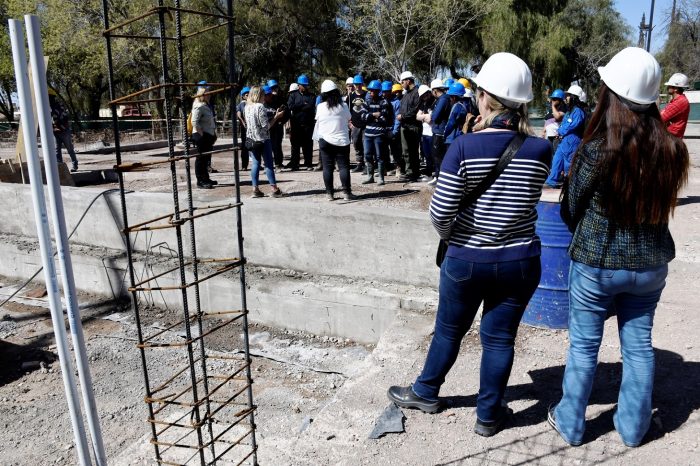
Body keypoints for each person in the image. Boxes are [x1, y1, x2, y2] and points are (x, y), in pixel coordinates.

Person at [387, 52, 551, 438]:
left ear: (483, 97)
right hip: (520, 261)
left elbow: (440, 213)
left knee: (449, 330)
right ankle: (489, 415)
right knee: (499, 339)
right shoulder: (542, 150)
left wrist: (456, 240)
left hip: (466, 261)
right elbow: (525, 202)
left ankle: (426, 392)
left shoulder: (462, 147)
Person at [548, 47, 689, 449]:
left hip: (598, 262)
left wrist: (587, 232)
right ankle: (633, 428)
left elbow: (570, 207)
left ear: (610, 93)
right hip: (651, 265)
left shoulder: (597, 148)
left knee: (584, 346)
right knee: (639, 345)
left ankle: (572, 423)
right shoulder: (673, 150)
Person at [313, 80, 357, 201]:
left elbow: (317, 120)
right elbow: (349, 118)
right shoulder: (344, 106)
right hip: (341, 141)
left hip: (325, 141)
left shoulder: (320, 107)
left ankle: (329, 194)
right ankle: (347, 193)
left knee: (327, 168)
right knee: (343, 167)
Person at [244, 86, 285, 198]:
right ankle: (274, 189)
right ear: (259, 95)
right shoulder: (260, 107)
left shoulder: (247, 107)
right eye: (263, 94)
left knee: (255, 163)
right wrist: (276, 117)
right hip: (263, 139)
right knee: (268, 164)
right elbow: (266, 126)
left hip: (251, 139)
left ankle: (255, 188)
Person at [544, 85, 586, 188]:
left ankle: (569, 184)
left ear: (574, 97)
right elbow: (564, 124)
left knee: (569, 164)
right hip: (564, 141)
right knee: (557, 160)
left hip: (572, 141)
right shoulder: (569, 111)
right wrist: (560, 132)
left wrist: (561, 131)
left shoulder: (578, 111)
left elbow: (571, 125)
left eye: (568, 95)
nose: (566, 98)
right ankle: (552, 181)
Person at [359, 79, 393, 185]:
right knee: (368, 155)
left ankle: (381, 178)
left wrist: (371, 116)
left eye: (373, 90)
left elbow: (384, 119)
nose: (371, 92)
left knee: (380, 156)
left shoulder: (384, 102)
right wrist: (374, 115)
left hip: (379, 134)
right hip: (368, 134)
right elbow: (362, 117)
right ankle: (370, 176)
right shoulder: (366, 102)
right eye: (370, 90)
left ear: (379, 91)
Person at [397, 71, 428, 182]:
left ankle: (414, 173)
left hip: (414, 126)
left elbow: (416, 110)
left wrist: (403, 116)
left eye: (402, 81)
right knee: (406, 151)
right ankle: (409, 171)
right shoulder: (406, 94)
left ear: (408, 81)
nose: (401, 84)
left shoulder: (417, 93)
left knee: (413, 151)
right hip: (404, 126)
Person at [191, 82, 217, 189]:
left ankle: (206, 178)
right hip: (201, 136)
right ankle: (200, 181)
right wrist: (202, 134)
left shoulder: (206, 105)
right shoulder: (199, 105)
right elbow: (194, 121)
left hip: (207, 135)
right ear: (202, 94)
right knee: (201, 159)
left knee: (206, 158)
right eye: (207, 93)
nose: (209, 95)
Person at [287, 75, 315, 170]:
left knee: (308, 146)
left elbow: (311, 106)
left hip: (308, 125)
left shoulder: (311, 96)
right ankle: (295, 164)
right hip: (296, 125)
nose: (305, 87)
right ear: (299, 85)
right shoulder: (293, 95)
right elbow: (290, 106)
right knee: (295, 146)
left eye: (306, 85)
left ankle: (308, 164)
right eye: (303, 85)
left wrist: (298, 107)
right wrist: (303, 104)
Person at [48, 89, 78, 172]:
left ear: (51, 97)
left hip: (64, 131)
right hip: (55, 132)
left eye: (48, 97)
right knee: (57, 150)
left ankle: (74, 165)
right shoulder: (49, 107)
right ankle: (60, 166)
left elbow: (63, 118)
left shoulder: (58, 106)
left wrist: (59, 125)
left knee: (69, 149)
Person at [429, 78, 451, 185]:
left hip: (440, 131)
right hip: (438, 130)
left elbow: (435, 116)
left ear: (435, 90)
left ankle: (440, 178)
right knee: (436, 155)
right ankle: (438, 176)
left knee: (438, 156)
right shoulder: (443, 99)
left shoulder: (443, 100)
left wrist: (431, 115)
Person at [660, 72, 691, 138]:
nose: (667, 87)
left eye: (669, 86)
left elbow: (660, 118)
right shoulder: (677, 100)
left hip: (671, 139)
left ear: (676, 88)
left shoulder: (680, 102)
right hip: (670, 138)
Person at [348, 74, 367, 173]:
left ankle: (367, 165)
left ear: (362, 84)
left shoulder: (367, 94)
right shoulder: (351, 96)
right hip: (355, 125)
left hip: (365, 125)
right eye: (356, 84)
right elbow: (348, 109)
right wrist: (349, 122)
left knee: (365, 144)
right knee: (356, 144)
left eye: (359, 84)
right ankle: (359, 164)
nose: (357, 86)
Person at [443, 82, 469, 151]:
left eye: (450, 97)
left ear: (454, 97)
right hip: (461, 136)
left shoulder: (456, 107)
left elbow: (450, 123)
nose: (450, 99)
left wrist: (444, 135)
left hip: (452, 138)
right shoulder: (465, 105)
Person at [416, 84, 435, 180]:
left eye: (425, 94)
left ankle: (434, 173)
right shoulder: (423, 104)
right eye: (422, 96)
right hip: (425, 133)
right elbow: (417, 116)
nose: (424, 97)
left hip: (432, 133)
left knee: (433, 154)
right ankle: (429, 173)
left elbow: (431, 119)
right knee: (426, 154)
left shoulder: (435, 103)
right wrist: (424, 116)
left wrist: (423, 116)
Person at [266, 79, 286, 168]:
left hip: (277, 126)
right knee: (268, 146)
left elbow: (286, 112)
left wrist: (282, 120)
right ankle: (268, 163)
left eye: (276, 87)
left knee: (277, 145)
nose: (275, 89)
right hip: (267, 127)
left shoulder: (280, 99)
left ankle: (278, 163)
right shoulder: (264, 101)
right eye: (272, 88)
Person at [387, 83, 405, 176]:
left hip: (394, 130)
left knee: (397, 150)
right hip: (386, 129)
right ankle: (393, 167)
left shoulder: (396, 102)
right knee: (390, 151)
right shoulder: (384, 101)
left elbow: (397, 118)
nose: (384, 94)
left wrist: (395, 131)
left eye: (387, 92)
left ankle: (399, 168)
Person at [236, 86, 250, 171]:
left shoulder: (252, 103)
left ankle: (257, 163)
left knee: (255, 146)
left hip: (252, 129)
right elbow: (239, 115)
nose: (248, 96)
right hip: (245, 129)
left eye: (249, 94)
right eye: (246, 94)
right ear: (243, 96)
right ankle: (244, 165)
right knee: (245, 147)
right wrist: (243, 123)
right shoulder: (241, 104)